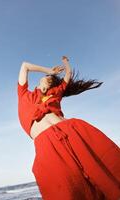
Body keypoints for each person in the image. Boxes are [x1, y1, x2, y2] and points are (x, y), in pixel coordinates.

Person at [17, 56, 120, 200]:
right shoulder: (24, 94)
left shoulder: (56, 93)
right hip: (47, 145)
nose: (48, 77)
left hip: (73, 132)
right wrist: (49, 70)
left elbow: (67, 76)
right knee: (64, 191)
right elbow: (25, 66)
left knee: (108, 174)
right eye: (48, 76)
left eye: (50, 77)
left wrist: (66, 65)